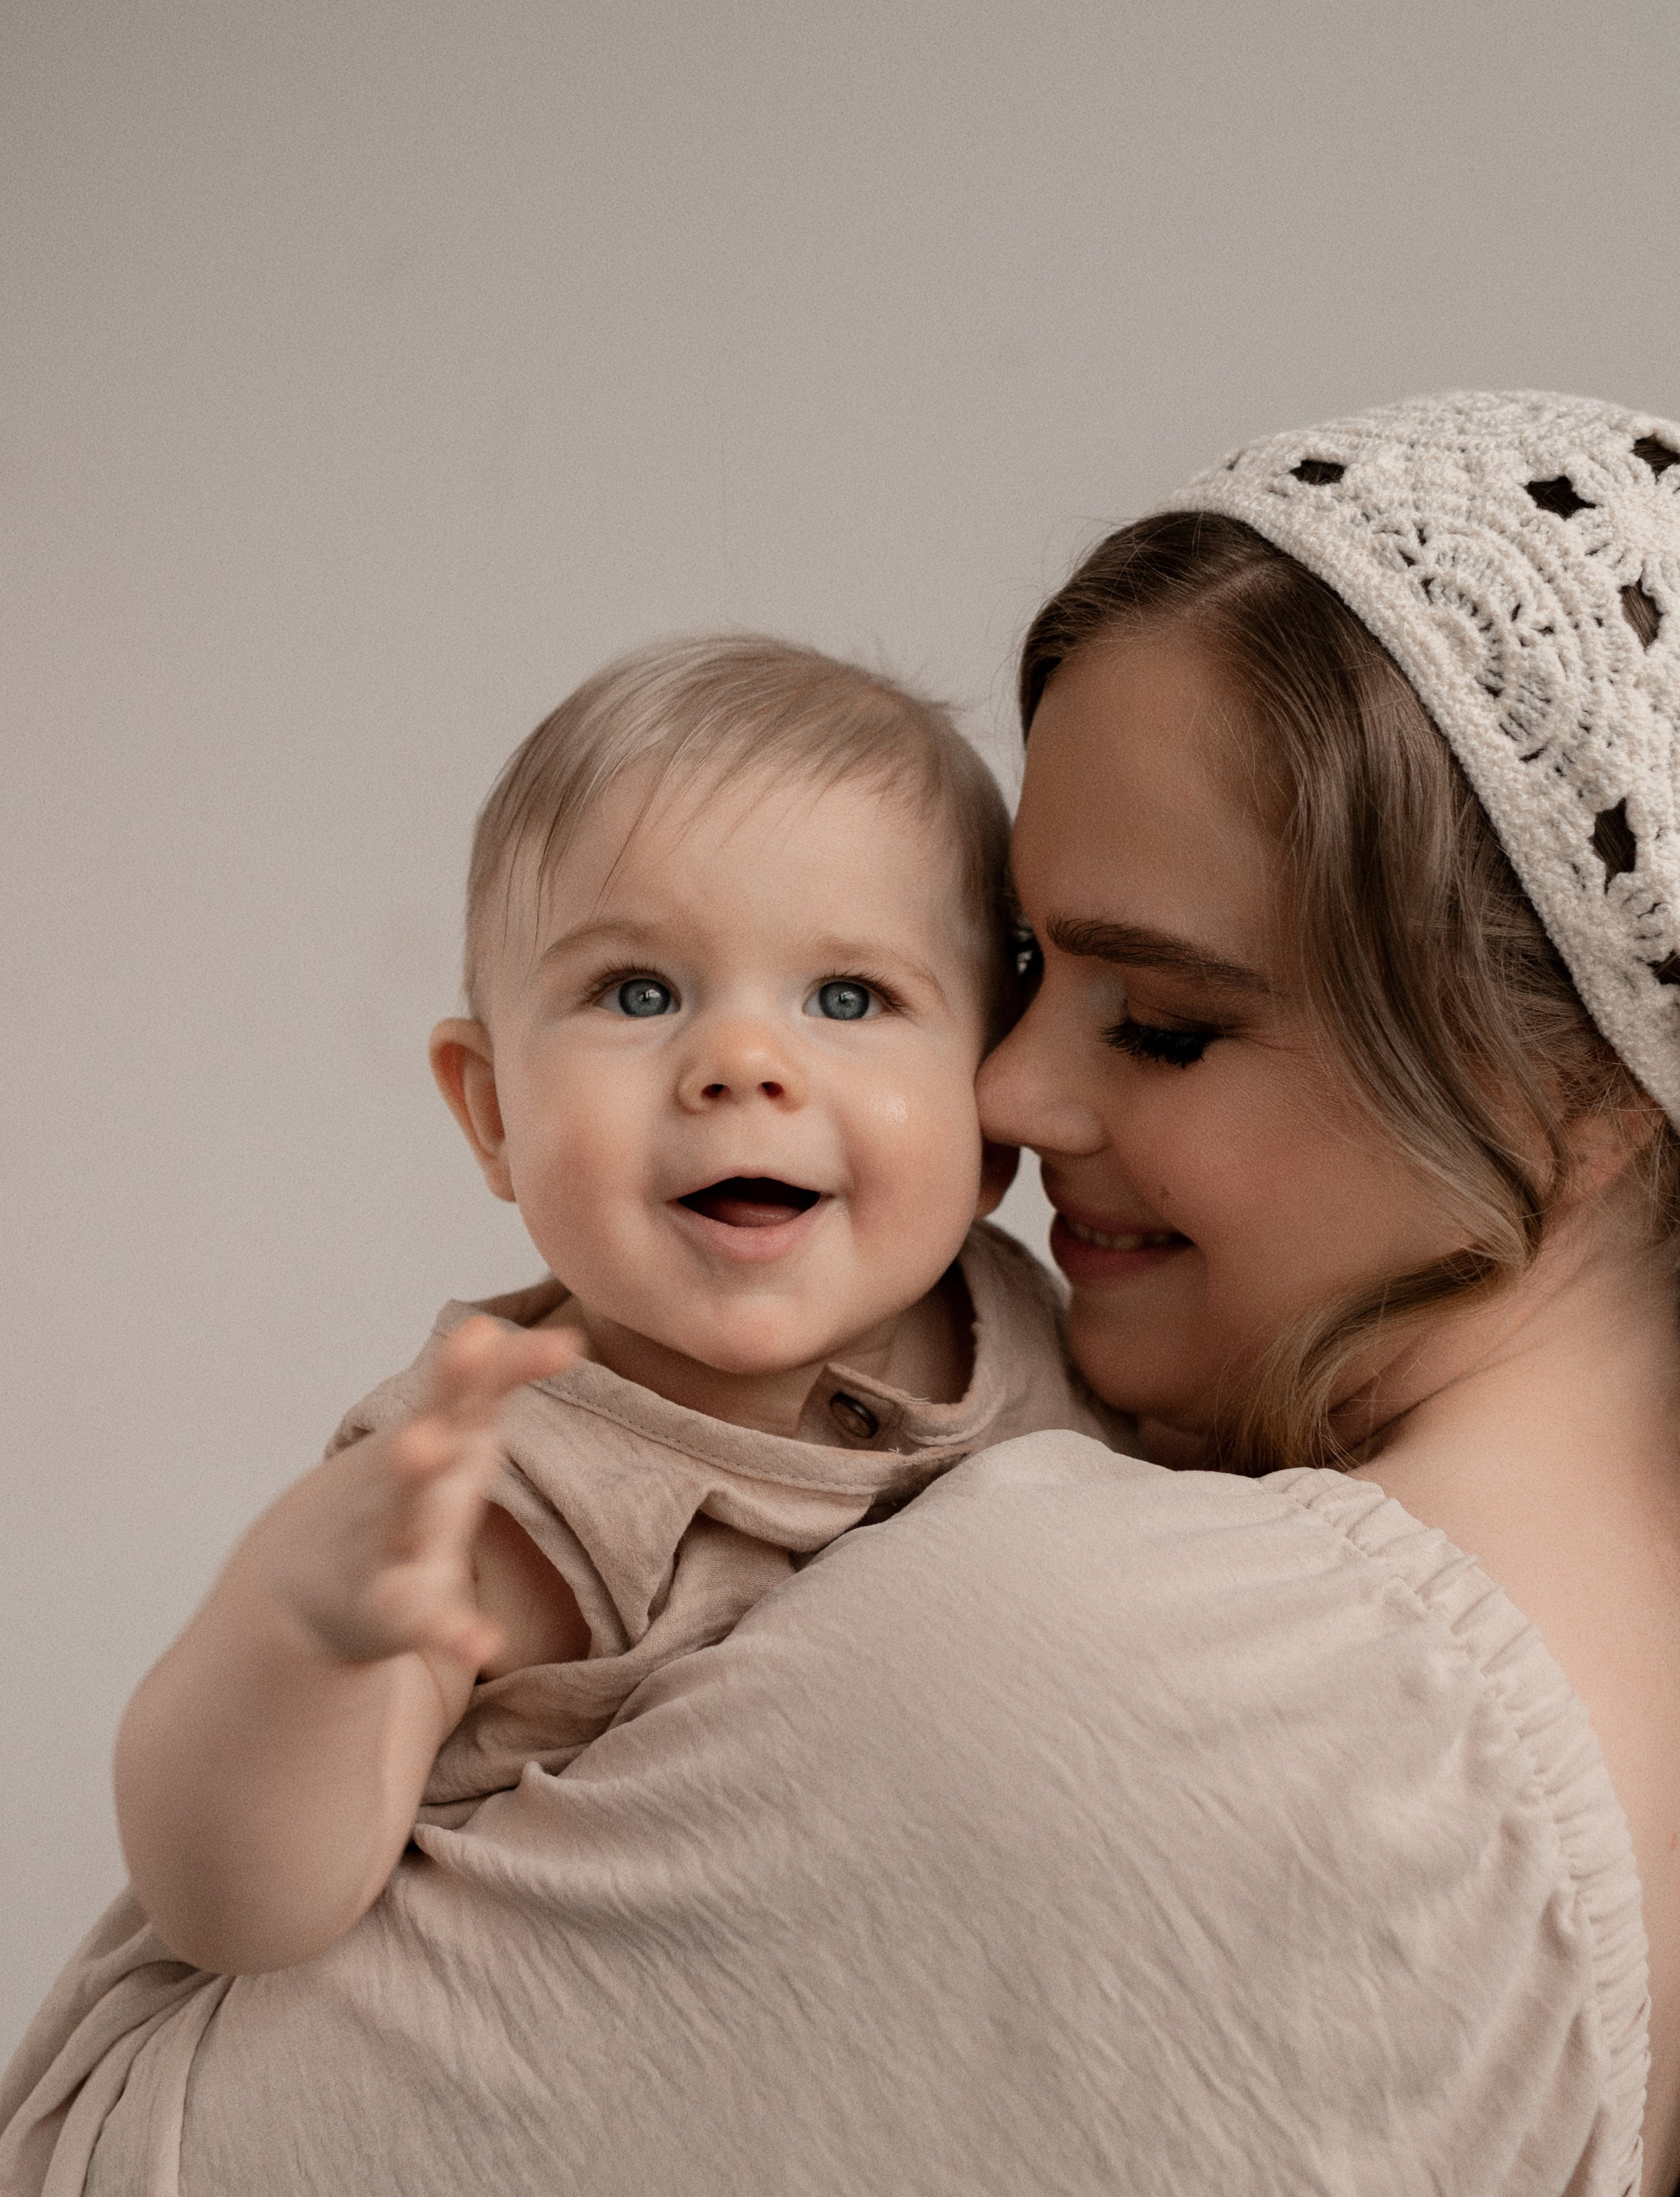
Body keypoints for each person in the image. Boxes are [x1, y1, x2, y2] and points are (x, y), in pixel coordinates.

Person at [0, 393, 1680, 2197]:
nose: (1017, 1093)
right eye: (1033, 973)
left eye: (1161, 1025)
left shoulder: (1128, 1664)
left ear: (1587, 1089)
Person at [103, 633, 1114, 1979]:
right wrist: (298, 1644)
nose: (743, 1063)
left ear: (990, 1112)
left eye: (848, 995)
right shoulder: (497, 1483)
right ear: (493, 1110)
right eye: (639, 992)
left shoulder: (1036, 1326)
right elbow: (240, 1910)